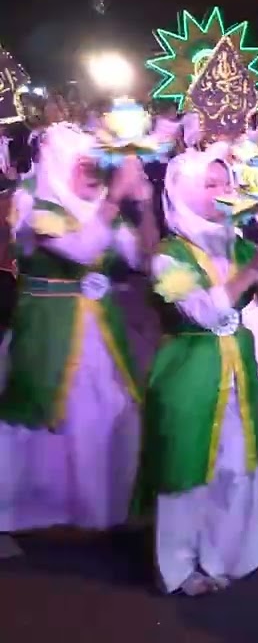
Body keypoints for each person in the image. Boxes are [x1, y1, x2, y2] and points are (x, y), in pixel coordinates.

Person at [134, 143, 258, 596]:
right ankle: (177, 567)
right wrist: (253, 268)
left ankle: (227, 554)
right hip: (188, 371)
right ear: (184, 191)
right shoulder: (166, 257)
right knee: (186, 467)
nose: (223, 191)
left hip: (238, 368)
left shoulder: (239, 244)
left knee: (236, 466)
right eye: (210, 184)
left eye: (227, 182)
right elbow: (203, 312)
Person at [0, 124, 156, 534]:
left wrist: (145, 206)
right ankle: (34, 508)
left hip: (101, 330)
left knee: (106, 410)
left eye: (98, 165)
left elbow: (144, 259)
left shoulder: (102, 205)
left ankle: (96, 508)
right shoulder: (33, 200)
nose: (94, 173)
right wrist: (116, 196)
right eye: (83, 164)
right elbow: (81, 249)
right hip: (48, 328)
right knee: (47, 410)